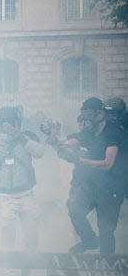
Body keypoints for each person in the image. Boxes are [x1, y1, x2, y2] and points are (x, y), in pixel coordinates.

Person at [0, 106, 45, 276]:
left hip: (26, 193)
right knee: (7, 228)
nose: (7, 128)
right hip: (5, 194)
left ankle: (27, 270)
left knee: (31, 231)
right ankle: (10, 271)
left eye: (10, 124)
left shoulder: (26, 138)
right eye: (4, 124)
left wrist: (18, 136)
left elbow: (40, 152)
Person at [48, 97, 123, 254]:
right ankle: (89, 240)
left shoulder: (112, 133)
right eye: (84, 115)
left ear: (100, 114)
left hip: (111, 190)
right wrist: (53, 136)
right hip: (91, 186)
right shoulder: (87, 133)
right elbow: (65, 143)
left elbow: (108, 164)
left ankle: (107, 268)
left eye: (89, 115)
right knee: (74, 207)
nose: (86, 120)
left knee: (106, 231)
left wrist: (83, 161)